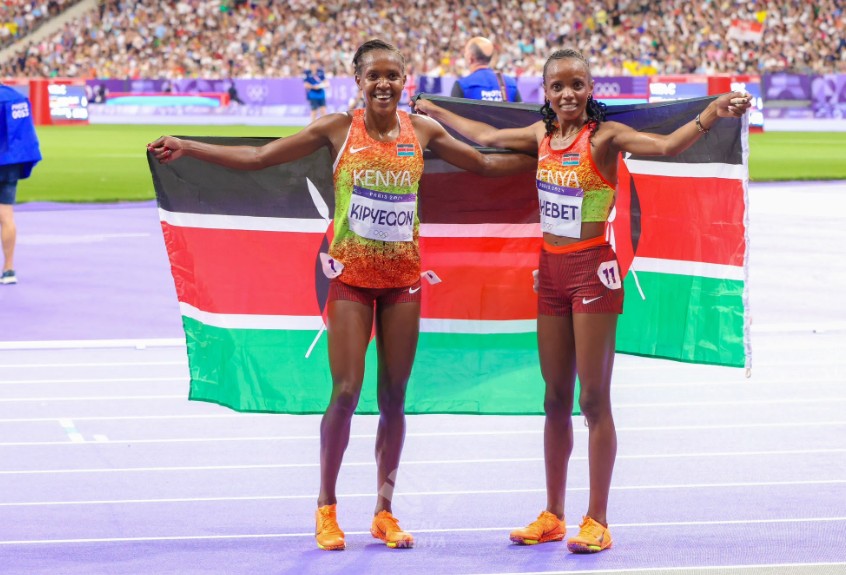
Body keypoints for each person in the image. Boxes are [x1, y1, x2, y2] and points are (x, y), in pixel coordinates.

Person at [148, 39, 534, 552]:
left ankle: (384, 512)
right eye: (374, 74)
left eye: (393, 75)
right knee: (347, 391)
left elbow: (485, 165)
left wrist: (551, 160)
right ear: (358, 80)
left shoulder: (422, 130)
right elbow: (261, 156)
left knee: (395, 398)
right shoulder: (337, 129)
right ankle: (326, 508)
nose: (383, 83)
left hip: (404, 281)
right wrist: (192, 147)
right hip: (351, 279)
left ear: (405, 81)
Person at [414, 48, 751, 554]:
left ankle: (598, 519)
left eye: (577, 84)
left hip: (593, 271)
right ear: (545, 94)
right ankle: (552, 514)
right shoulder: (539, 136)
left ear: (590, 89)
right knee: (553, 400)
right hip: (549, 273)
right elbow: (483, 136)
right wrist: (435, 110)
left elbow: (664, 145)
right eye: (558, 86)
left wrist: (712, 112)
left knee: (592, 400)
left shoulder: (606, 138)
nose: (568, 94)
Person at [0, 85, 42, 286]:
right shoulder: (17, 97)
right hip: (10, 164)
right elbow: (26, 135)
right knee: (6, 216)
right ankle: (8, 269)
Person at [451, 36, 522, 103]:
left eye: (465, 52)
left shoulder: (462, 85)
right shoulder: (510, 83)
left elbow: (452, 115)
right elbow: (522, 114)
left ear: (470, 58)